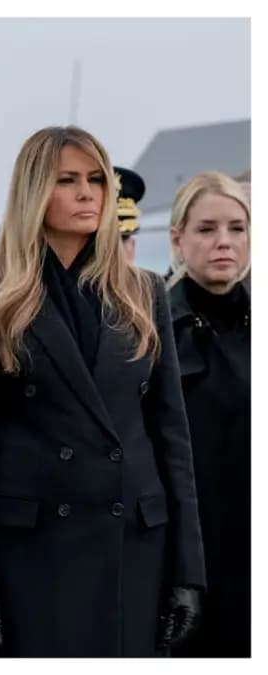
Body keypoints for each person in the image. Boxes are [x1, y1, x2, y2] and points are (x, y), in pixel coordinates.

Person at [0, 126, 205, 657]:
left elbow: (172, 438)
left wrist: (188, 572)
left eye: (95, 179)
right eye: (67, 180)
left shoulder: (144, 291)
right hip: (30, 552)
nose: (88, 193)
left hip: (133, 545)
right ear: (35, 190)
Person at [163, 172, 250, 657]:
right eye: (207, 229)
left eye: (237, 228)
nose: (224, 243)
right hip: (189, 558)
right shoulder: (151, 334)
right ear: (178, 239)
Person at [114, 166, 145, 262]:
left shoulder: (153, 277)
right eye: (101, 241)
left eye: (123, 238)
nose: (114, 251)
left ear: (132, 245)